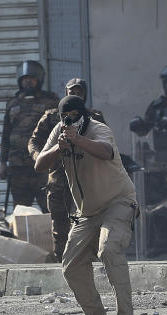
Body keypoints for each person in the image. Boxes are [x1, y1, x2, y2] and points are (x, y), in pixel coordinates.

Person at [35, 95, 140, 315]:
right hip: (87, 213)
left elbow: (106, 151)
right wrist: (59, 147)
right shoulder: (60, 131)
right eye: (65, 117)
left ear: (83, 115)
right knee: (71, 266)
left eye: (74, 116)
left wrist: (78, 140)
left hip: (118, 203)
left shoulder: (98, 128)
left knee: (109, 248)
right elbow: (40, 164)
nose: (69, 122)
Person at [29, 77, 105, 261]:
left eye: (79, 92)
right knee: (60, 226)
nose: (75, 95)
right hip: (58, 179)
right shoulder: (51, 117)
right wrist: (41, 157)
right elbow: (33, 142)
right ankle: (62, 264)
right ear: (66, 93)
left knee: (87, 223)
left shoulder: (94, 117)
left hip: (85, 180)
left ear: (85, 95)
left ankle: (87, 264)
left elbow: (105, 144)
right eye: (72, 92)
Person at [129, 64, 167, 256]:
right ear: (165, 85)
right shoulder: (157, 106)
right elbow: (146, 129)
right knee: (156, 202)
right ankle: (159, 243)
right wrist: (139, 125)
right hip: (161, 161)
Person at [0, 60, 59, 212]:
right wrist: (2, 163)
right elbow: (6, 134)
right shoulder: (12, 103)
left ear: (38, 80)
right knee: (20, 212)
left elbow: (58, 130)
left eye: (31, 78)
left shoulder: (51, 101)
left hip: (42, 167)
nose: (28, 81)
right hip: (17, 169)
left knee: (50, 210)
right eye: (25, 78)